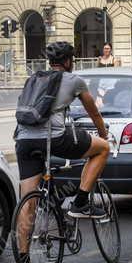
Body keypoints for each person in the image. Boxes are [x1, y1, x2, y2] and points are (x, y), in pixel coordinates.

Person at [14, 42, 110, 222]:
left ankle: (24, 251)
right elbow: (94, 112)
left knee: (28, 205)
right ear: (67, 61)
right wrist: (104, 135)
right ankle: (80, 204)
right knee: (103, 148)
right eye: (71, 59)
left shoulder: (33, 79)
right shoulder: (74, 81)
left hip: (23, 140)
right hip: (54, 138)